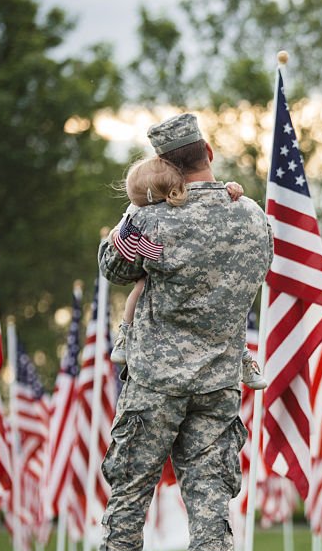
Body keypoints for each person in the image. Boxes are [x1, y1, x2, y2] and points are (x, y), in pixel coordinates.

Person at [92, 113, 273, 551]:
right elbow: (263, 263)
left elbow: (113, 267)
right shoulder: (253, 215)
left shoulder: (149, 222)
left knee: (133, 482)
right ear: (208, 152)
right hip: (220, 376)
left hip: (154, 378)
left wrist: (135, 213)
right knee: (210, 483)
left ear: (163, 166)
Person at [109, 157, 267, 390]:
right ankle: (125, 332)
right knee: (143, 287)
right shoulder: (144, 215)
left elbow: (209, 202)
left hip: (200, 294)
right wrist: (119, 232)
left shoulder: (177, 205)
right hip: (173, 296)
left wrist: (229, 189)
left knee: (227, 303)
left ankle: (242, 356)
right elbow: (118, 251)